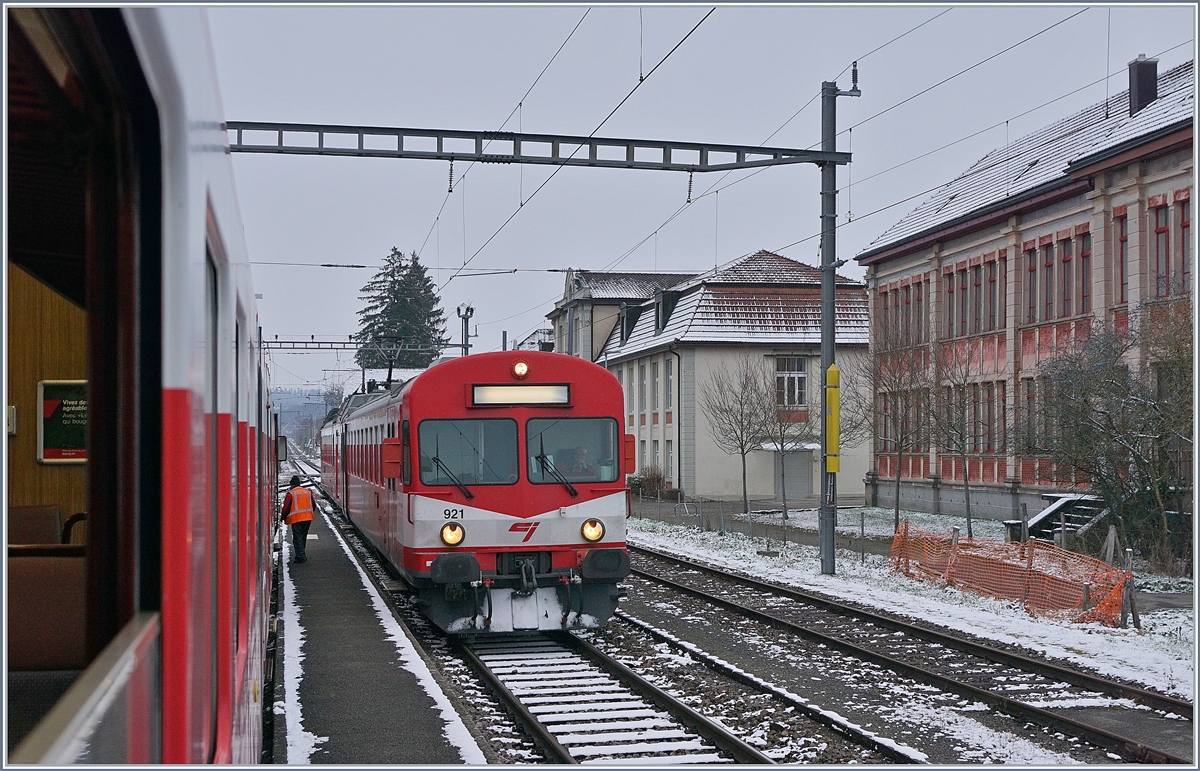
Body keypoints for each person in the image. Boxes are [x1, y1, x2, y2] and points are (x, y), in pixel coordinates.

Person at [281, 476, 316, 563]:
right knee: (303, 536)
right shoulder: (308, 492)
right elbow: (313, 504)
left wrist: (283, 517)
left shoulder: (291, 493)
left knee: (297, 537)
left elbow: (286, 508)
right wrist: (309, 513)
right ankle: (301, 553)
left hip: (297, 519)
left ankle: (301, 557)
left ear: (292, 484)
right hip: (308, 518)